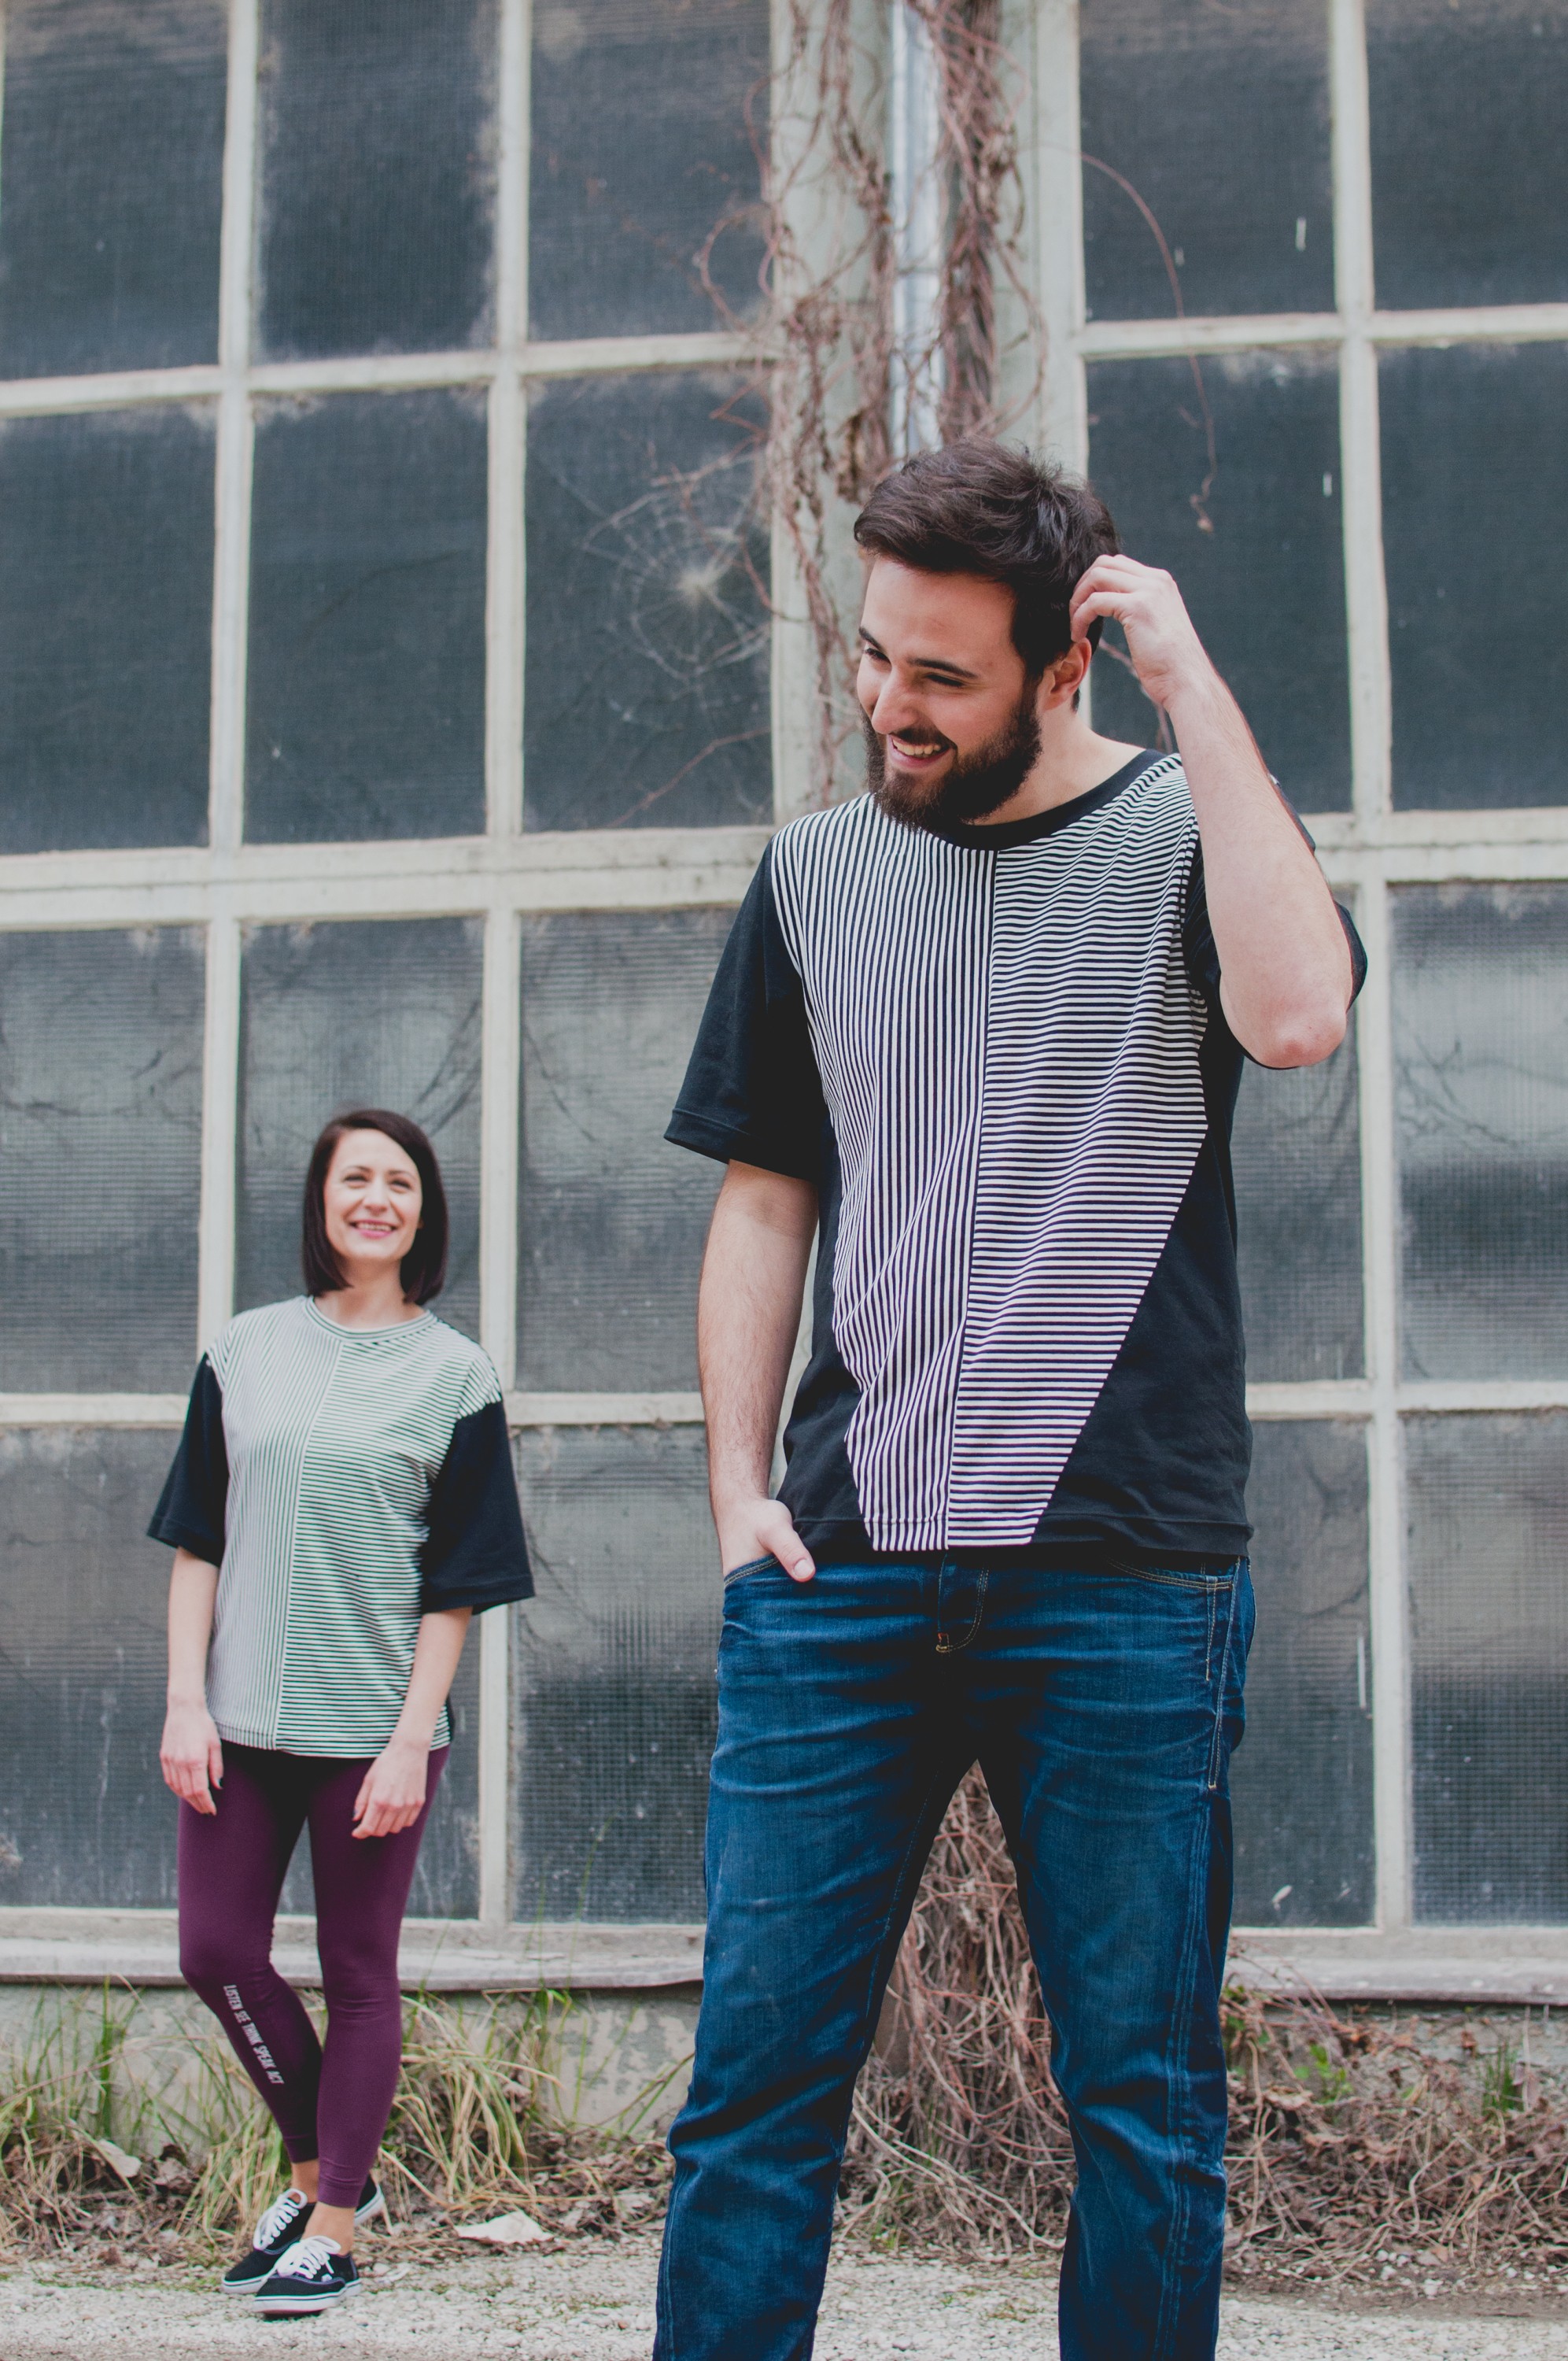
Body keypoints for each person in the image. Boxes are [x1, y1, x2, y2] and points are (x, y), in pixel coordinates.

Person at [655, 440, 1365, 2361]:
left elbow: (1298, 1017)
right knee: (750, 2101)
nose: (889, 702)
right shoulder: (813, 877)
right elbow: (762, 1198)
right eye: (875, 654)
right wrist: (734, 1492)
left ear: (1063, 668)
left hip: (1122, 1578)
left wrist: (1190, 684)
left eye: (943, 675)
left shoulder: (1185, 834)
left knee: (1141, 2102)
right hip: (842, 1573)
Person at [149, 1108, 531, 2319]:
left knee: (359, 1972)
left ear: (424, 1212)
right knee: (215, 1951)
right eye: (355, 1177)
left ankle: (333, 2230)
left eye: (399, 1182)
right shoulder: (243, 1350)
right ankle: (320, 2176)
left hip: (372, 1732)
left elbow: (458, 1585)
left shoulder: (456, 1375)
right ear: (322, 1199)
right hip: (236, 1727)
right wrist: (184, 1703)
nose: (376, 1198)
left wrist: (413, 1738)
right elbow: (198, 1542)